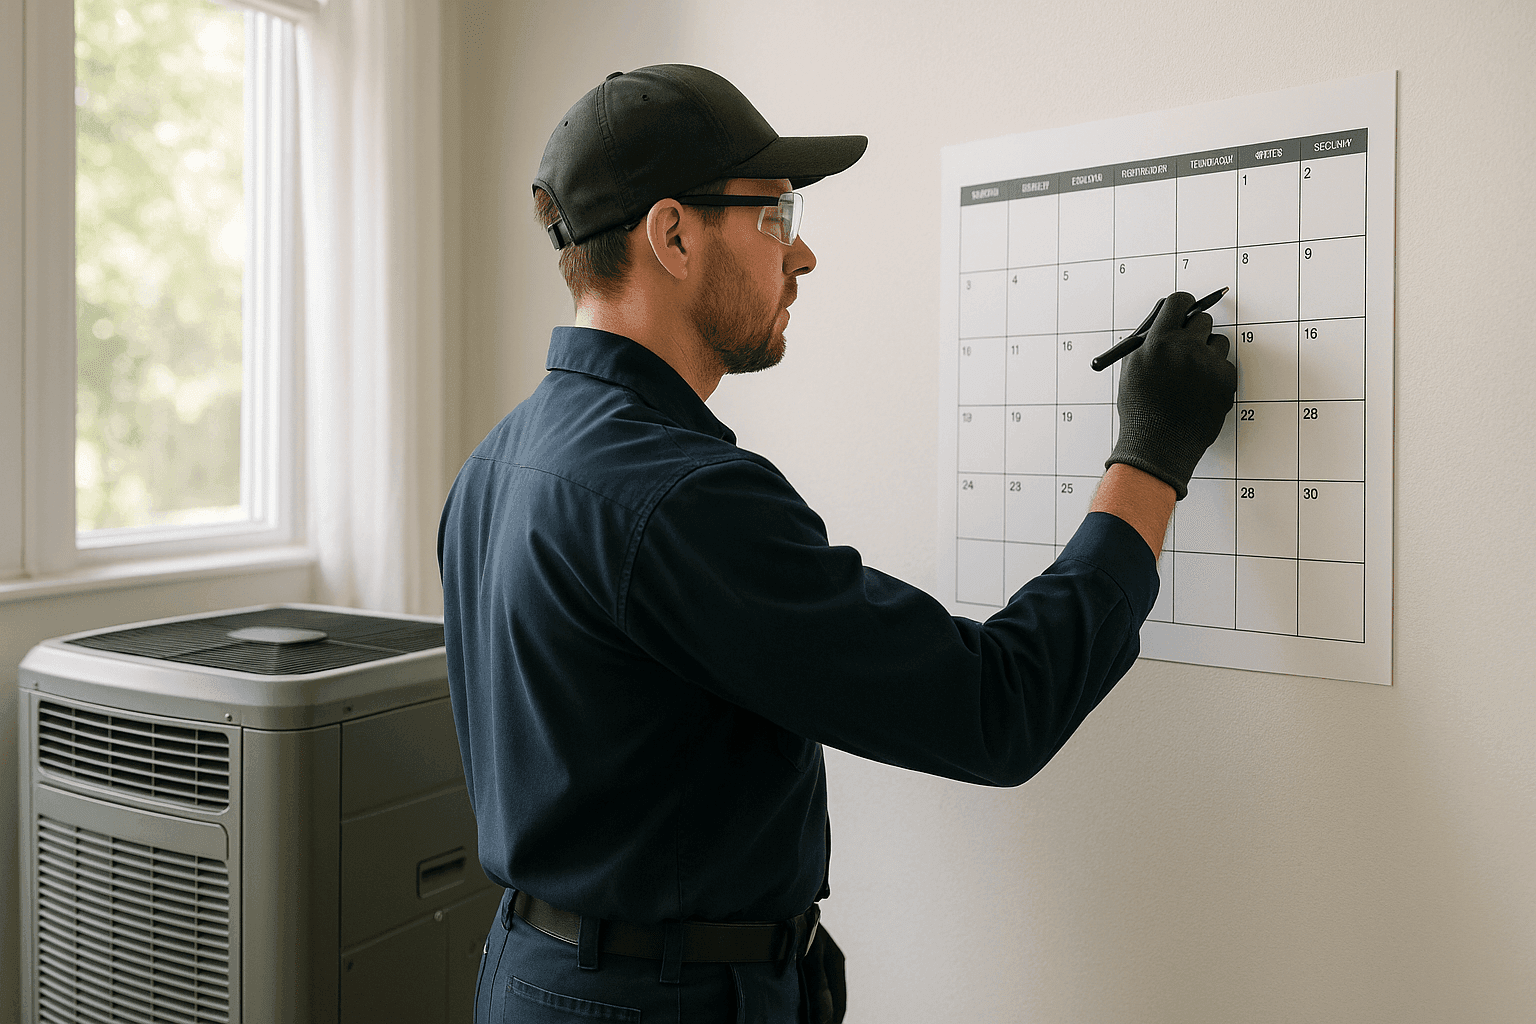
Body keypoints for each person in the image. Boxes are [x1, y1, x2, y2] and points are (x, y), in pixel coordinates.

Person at [438, 64, 1236, 1024]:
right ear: (673, 234)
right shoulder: (683, 497)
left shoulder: (496, 462)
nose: (802, 253)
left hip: (533, 976)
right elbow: (995, 707)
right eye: (774, 215)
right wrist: (1151, 455)